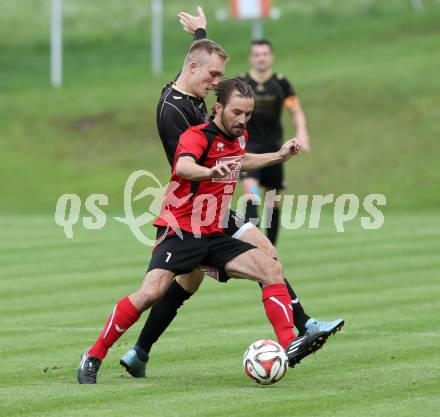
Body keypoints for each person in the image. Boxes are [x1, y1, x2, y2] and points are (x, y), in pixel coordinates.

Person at [119, 9, 343, 378]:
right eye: (214, 77)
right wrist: (224, 165)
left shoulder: (186, 89)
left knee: (216, 273)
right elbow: (190, 165)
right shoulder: (177, 115)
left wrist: (201, 32)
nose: (216, 82)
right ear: (194, 71)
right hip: (195, 213)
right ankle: (302, 326)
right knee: (181, 282)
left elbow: (200, 60)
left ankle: (139, 353)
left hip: (213, 207)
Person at [77, 79, 329, 384]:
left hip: (214, 233)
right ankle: (93, 355)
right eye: (237, 113)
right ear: (219, 107)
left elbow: (241, 160)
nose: (242, 120)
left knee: (271, 267)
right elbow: (183, 167)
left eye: (248, 115)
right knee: (151, 293)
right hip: (181, 230)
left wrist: (278, 156)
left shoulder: (239, 136)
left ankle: (289, 343)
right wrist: (210, 171)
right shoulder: (196, 137)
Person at [239, 39, 310, 245]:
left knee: (273, 202)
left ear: (271, 57)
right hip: (249, 150)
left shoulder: (281, 82)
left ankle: (271, 249)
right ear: (250, 58)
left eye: (264, 54)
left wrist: (302, 132)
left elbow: (295, 110)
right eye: (257, 54)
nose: (261, 58)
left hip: (274, 151)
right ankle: (253, 247)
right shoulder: (242, 83)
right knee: (251, 195)